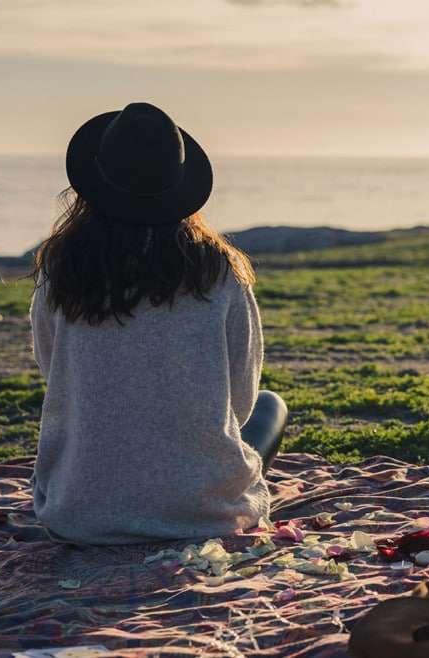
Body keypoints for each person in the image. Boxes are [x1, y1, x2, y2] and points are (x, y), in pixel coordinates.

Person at [27, 102, 286, 545]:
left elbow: (56, 374)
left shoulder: (63, 270)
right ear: (179, 187)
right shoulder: (219, 272)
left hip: (80, 513)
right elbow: (239, 402)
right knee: (269, 405)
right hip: (202, 511)